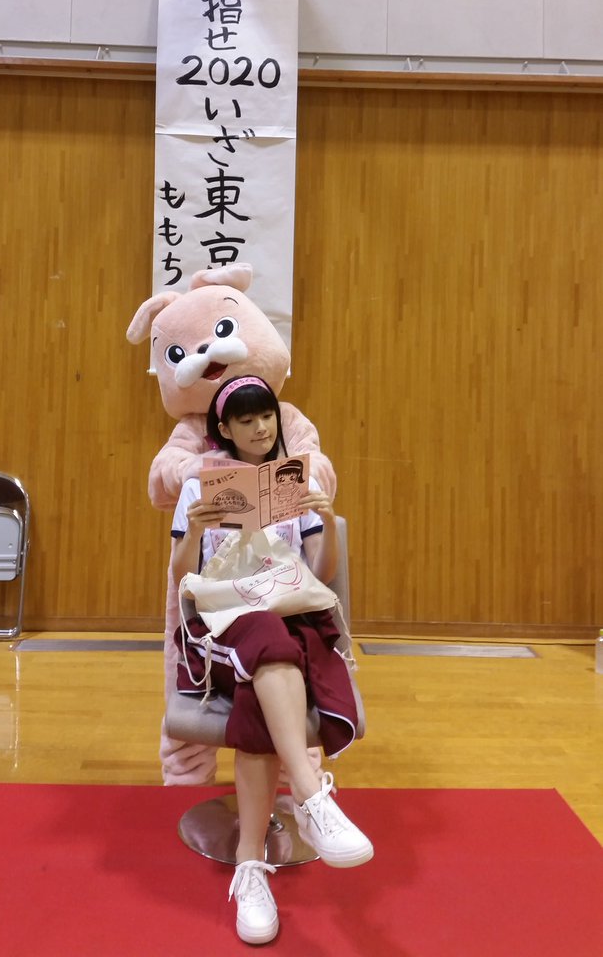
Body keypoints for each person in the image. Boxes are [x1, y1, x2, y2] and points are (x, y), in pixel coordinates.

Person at [171, 374, 373, 946]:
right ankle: (311, 795)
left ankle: (251, 865)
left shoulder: (293, 479)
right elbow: (181, 578)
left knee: (271, 652)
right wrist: (195, 534)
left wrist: (327, 521)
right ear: (225, 428)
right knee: (265, 638)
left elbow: (320, 574)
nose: (261, 428)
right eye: (247, 420)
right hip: (222, 620)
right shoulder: (200, 486)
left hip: (287, 614)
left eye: (267, 417)